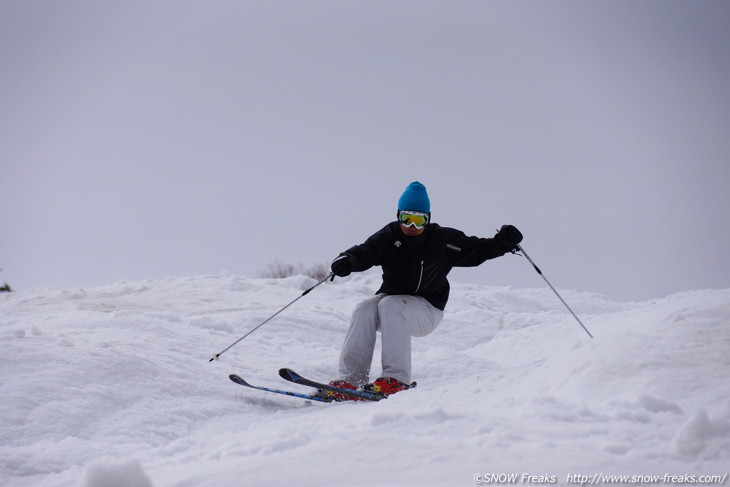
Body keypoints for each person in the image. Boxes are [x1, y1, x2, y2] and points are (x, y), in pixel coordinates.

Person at [325, 181, 523, 399]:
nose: (412, 225)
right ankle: (351, 380)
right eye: (406, 218)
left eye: (419, 220)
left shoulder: (443, 240)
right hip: (392, 307)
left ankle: (396, 379)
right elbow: (365, 252)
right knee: (364, 307)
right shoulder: (389, 237)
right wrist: (347, 260)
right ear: (398, 215)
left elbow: (478, 250)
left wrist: (502, 243)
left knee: (390, 304)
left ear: (427, 220)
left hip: (427, 310)